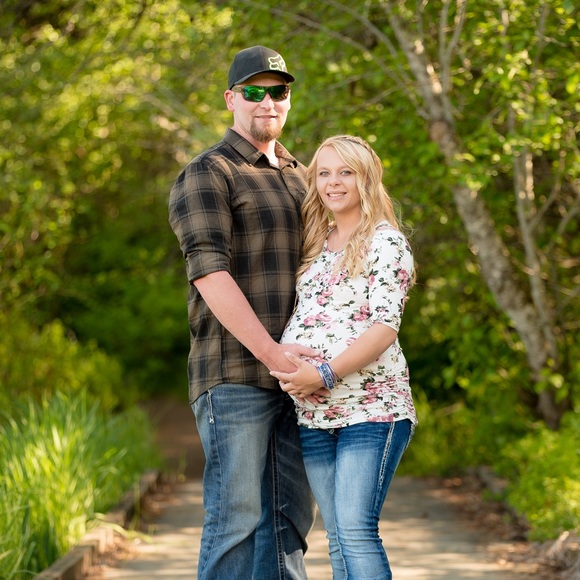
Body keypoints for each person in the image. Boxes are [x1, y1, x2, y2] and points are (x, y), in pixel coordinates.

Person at [168, 45, 316, 580]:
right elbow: (210, 275)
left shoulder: (305, 176)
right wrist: (274, 355)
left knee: (290, 522)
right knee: (236, 518)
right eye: (254, 91)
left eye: (278, 91)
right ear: (231, 99)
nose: (267, 102)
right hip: (234, 375)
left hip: (300, 380)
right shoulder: (209, 173)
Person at [270, 135, 418, 580]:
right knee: (336, 536)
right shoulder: (318, 242)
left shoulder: (385, 242)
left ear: (366, 179)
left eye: (345, 172)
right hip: (316, 414)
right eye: (324, 173)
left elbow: (384, 328)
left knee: (355, 530)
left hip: (372, 409)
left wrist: (324, 373)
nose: (333, 182)